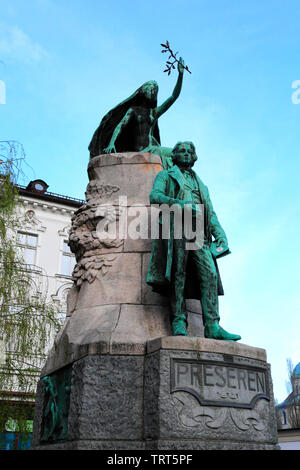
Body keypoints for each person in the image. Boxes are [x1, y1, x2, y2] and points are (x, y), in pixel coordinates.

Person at [146, 141, 241, 341]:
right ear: (174, 155)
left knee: (210, 275)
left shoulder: (202, 184)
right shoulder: (166, 175)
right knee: (178, 274)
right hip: (177, 225)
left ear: (195, 156)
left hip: (199, 232)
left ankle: (213, 326)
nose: (187, 154)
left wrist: (221, 234)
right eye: (182, 150)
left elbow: (211, 213)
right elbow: (155, 196)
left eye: (190, 151)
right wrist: (180, 204)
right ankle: (179, 321)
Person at [88, 60, 185, 169]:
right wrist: (111, 144)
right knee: (175, 156)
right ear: (143, 91)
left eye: (155, 89)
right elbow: (120, 126)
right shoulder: (133, 110)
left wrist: (180, 75)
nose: (152, 91)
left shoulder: (154, 112)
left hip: (152, 148)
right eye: (150, 87)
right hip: (140, 150)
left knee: (178, 155)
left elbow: (173, 97)